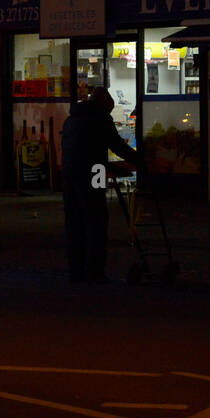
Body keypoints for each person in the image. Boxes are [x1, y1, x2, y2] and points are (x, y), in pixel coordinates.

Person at [60, 87, 143, 284]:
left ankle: (76, 271)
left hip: (69, 175)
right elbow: (117, 146)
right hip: (93, 173)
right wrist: (141, 161)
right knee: (96, 221)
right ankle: (94, 272)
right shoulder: (100, 119)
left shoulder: (71, 120)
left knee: (75, 223)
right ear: (104, 105)